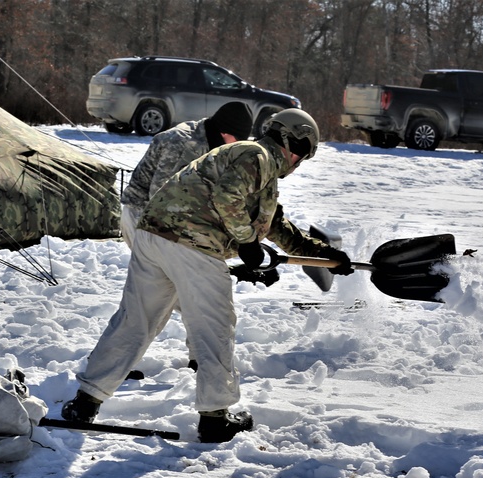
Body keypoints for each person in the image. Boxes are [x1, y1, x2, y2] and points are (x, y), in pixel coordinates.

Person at [62, 109, 352, 443]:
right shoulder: (256, 156)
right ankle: (215, 418)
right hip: (192, 243)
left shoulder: (257, 170)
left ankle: (86, 400)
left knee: (136, 319)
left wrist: (323, 253)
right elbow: (226, 198)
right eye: (302, 152)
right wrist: (246, 243)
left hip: (154, 236)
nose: (299, 162)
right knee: (214, 324)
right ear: (289, 139)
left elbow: (275, 225)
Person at [119, 101, 254, 248]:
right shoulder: (184, 144)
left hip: (167, 219)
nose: (237, 146)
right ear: (225, 132)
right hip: (143, 216)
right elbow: (160, 198)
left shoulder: (210, 138)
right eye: (238, 140)